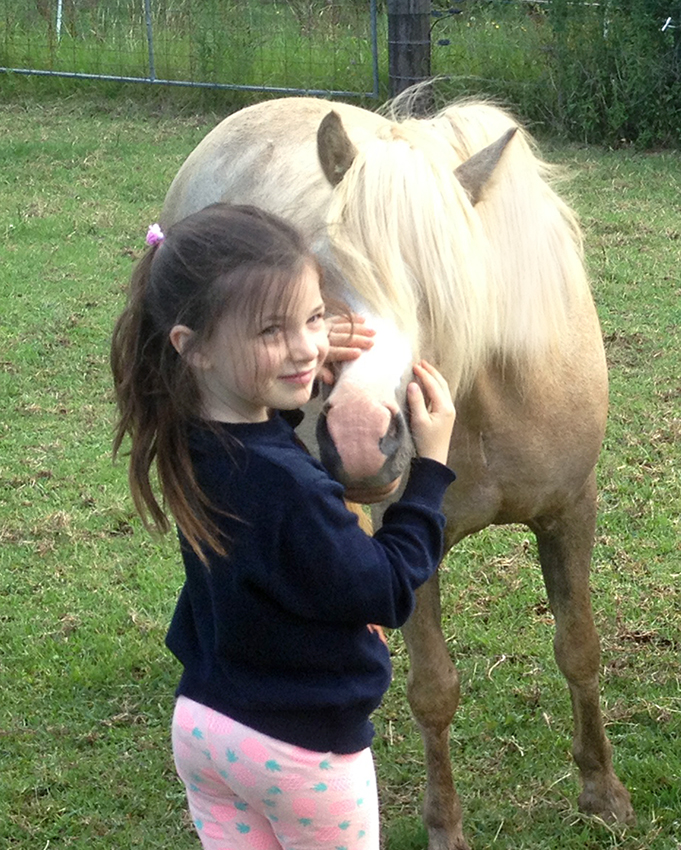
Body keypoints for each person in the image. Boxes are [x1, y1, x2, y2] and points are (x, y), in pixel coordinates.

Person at [110, 202, 456, 850]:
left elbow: (259, 453)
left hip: (206, 725)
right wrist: (431, 471)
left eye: (314, 318)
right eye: (273, 333)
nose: (306, 346)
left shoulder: (187, 433)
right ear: (196, 347)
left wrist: (288, 378)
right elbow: (382, 588)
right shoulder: (291, 490)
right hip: (299, 750)